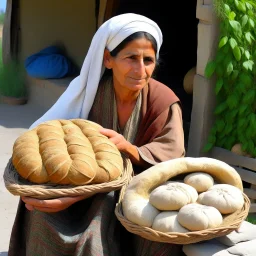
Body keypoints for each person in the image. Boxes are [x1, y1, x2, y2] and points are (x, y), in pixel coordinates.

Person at [8, 13, 185, 256]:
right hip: (85, 184)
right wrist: (69, 193)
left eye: (148, 60)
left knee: (101, 220)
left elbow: (171, 155)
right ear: (108, 59)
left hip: (140, 190)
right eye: (131, 58)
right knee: (40, 212)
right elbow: (59, 145)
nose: (141, 69)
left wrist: (129, 149)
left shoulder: (163, 101)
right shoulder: (90, 95)